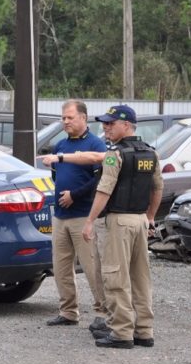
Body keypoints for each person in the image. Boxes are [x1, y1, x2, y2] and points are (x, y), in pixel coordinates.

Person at [58, 105, 163, 349]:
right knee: (140, 278)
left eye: (111, 124)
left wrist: (89, 221)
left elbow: (104, 190)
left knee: (115, 276)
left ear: (126, 126)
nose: (105, 128)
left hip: (118, 221)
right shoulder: (150, 153)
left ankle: (121, 333)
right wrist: (150, 217)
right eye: (105, 124)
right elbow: (157, 188)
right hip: (139, 220)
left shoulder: (115, 154)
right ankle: (144, 331)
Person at [42, 100, 108, 328]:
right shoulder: (59, 146)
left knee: (92, 267)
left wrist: (75, 195)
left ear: (83, 117)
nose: (66, 122)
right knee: (61, 267)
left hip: (83, 214)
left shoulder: (96, 145)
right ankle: (68, 311)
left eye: (70, 117)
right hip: (60, 216)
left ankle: (103, 313)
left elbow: (99, 179)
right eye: (63, 118)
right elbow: (55, 176)